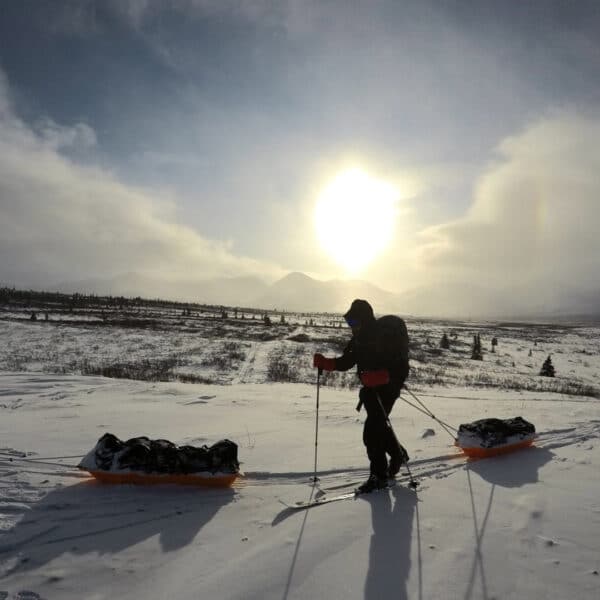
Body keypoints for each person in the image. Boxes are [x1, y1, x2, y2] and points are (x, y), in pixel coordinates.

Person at [313, 299, 410, 493]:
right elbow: (346, 362)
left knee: (372, 432)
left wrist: (382, 377)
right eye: (350, 323)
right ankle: (398, 455)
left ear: (365, 320)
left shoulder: (383, 338)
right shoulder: (359, 340)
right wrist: (326, 363)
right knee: (379, 426)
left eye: (355, 323)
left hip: (387, 390)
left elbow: (399, 367)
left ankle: (379, 477)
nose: (352, 327)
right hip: (370, 391)